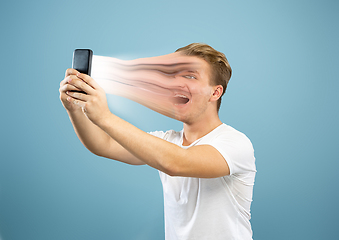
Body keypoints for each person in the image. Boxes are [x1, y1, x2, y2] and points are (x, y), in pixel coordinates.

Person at [59, 43, 256, 240]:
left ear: (215, 93)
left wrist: (105, 117)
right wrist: (75, 108)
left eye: (190, 76)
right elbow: (103, 144)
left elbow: (177, 162)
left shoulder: (235, 143)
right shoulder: (166, 141)